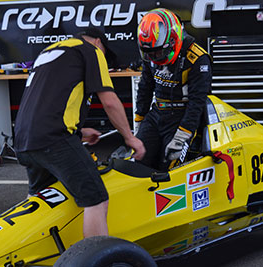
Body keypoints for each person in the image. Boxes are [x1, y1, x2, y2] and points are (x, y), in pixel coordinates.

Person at [14, 27, 145, 238]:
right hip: (53, 140)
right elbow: (110, 102)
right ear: (98, 43)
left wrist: (81, 132)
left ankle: (28, 250)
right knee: (97, 198)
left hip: (24, 139)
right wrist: (131, 138)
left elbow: (48, 103)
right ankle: (95, 258)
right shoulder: (90, 50)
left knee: (42, 201)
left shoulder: (50, 52)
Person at [135, 8, 212, 170]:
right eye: (149, 53)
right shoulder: (150, 55)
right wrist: (139, 120)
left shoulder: (197, 58)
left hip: (182, 116)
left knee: (170, 166)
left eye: (158, 52)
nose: (154, 57)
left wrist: (183, 135)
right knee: (138, 158)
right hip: (157, 113)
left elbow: (197, 102)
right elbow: (145, 88)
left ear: (173, 40)